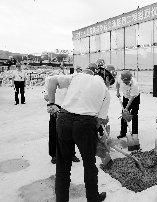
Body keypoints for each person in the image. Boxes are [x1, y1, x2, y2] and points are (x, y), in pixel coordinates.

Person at [46, 64, 113, 202]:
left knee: (63, 166)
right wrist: (95, 135)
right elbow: (99, 120)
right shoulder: (105, 91)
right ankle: (93, 198)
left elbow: (51, 80)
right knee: (89, 164)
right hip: (85, 124)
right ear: (106, 77)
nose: (109, 85)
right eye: (110, 82)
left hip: (63, 119)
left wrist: (51, 103)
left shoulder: (78, 76)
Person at [43, 74, 80, 164]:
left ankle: (71, 153)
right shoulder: (63, 79)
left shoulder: (80, 83)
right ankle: (54, 155)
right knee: (54, 131)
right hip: (57, 106)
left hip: (70, 107)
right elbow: (46, 95)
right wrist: (51, 104)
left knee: (70, 131)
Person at [116, 70, 140, 139]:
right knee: (124, 115)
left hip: (135, 98)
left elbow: (132, 98)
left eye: (127, 82)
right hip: (126, 97)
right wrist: (117, 92)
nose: (126, 83)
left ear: (130, 79)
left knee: (134, 115)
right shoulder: (120, 78)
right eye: (125, 82)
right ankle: (123, 133)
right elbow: (117, 84)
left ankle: (135, 134)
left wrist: (126, 108)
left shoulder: (134, 84)